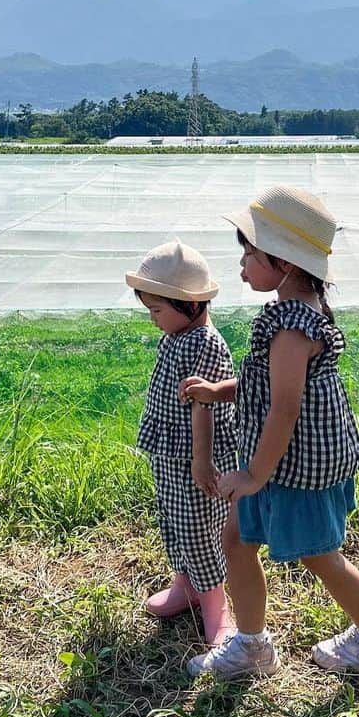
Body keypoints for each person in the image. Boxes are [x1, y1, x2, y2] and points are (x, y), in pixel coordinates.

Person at [180, 185, 359, 678]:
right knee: (236, 541)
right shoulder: (294, 317)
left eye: (250, 254)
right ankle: (251, 643)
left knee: (320, 557)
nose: (242, 265)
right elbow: (268, 387)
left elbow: (284, 409)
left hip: (294, 467)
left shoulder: (291, 329)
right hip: (279, 460)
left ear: (284, 263)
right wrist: (221, 390)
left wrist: (253, 476)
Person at [125, 240, 236, 647]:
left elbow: (203, 407)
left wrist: (201, 461)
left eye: (157, 310)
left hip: (196, 455)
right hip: (171, 453)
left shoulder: (203, 342)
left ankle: (214, 604)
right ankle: (186, 583)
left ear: (188, 305)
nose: (153, 319)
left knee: (200, 528)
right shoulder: (177, 336)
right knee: (175, 519)